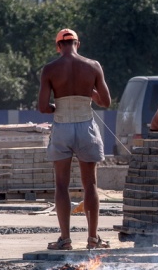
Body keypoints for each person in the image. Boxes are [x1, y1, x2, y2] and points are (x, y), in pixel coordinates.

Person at [38, 28, 112, 250]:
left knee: (61, 185)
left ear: (58, 46)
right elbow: (106, 102)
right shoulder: (93, 66)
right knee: (90, 184)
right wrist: (87, 93)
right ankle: (92, 239)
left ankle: (65, 239)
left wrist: (59, 107)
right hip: (86, 125)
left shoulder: (50, 69)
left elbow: (42, 107)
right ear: (78, 43)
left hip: (62, 127)